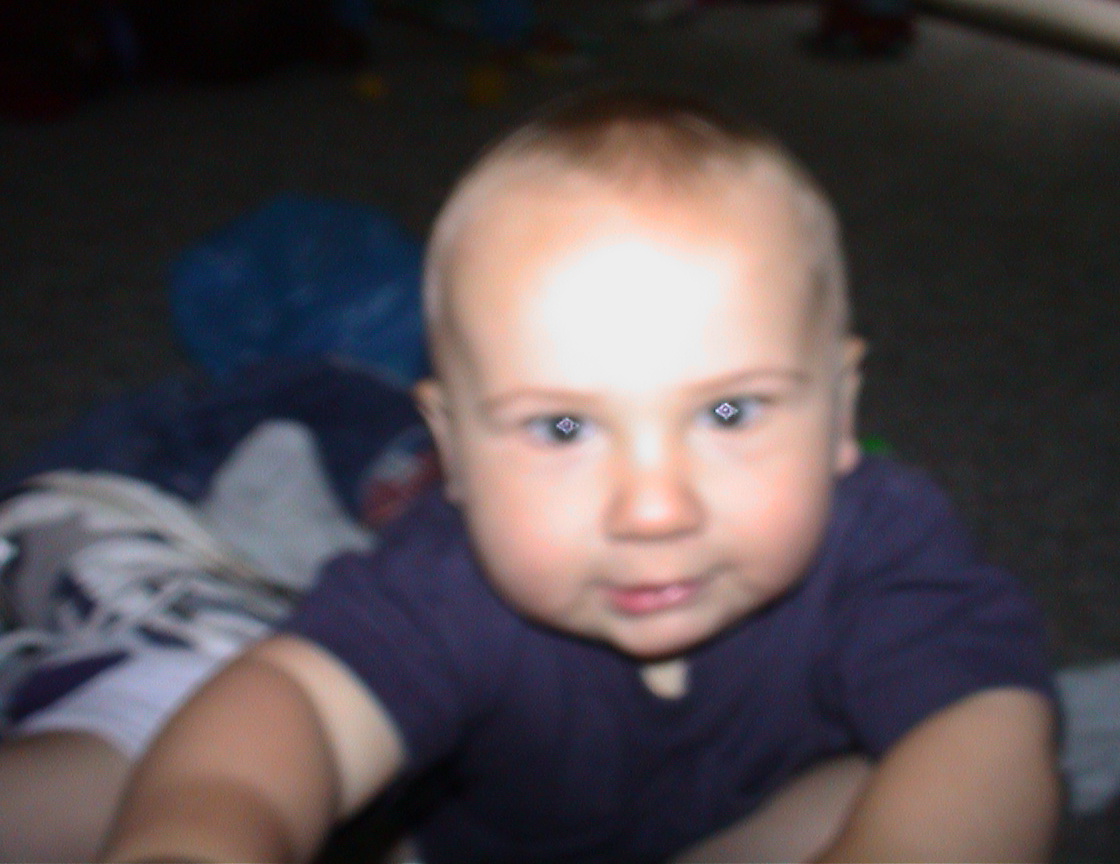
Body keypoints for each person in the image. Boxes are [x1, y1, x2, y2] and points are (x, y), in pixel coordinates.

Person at [101, 90, 1062, 864]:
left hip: (743, 835)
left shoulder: (880, 541)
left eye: (731, 413)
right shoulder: (447, 582)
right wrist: (200, 832)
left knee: (898, 787)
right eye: (562, 427)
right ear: (453, 448)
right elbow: (298, 704)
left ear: (841, 412)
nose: (654, 509)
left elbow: (984, 720)